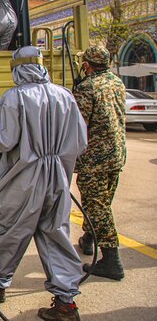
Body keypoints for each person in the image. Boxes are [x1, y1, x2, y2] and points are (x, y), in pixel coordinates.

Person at [0, 46, 88, 321]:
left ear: (17, 69)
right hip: (57, 178)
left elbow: (4, 141)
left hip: (23, 178)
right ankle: (65, 303)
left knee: (12, 231)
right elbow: (80, 142)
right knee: (57, 235)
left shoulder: (13, 98)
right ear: (41, 66)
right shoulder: (64, 96)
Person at [73, 45, 126, 281]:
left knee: (97, 207)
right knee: (102, 202)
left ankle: (112, 261)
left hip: (94, 159)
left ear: (87, 65)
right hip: (116, 154)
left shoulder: (87, 87)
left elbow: (77, 124)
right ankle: (89, 239)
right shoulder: (117, 82)